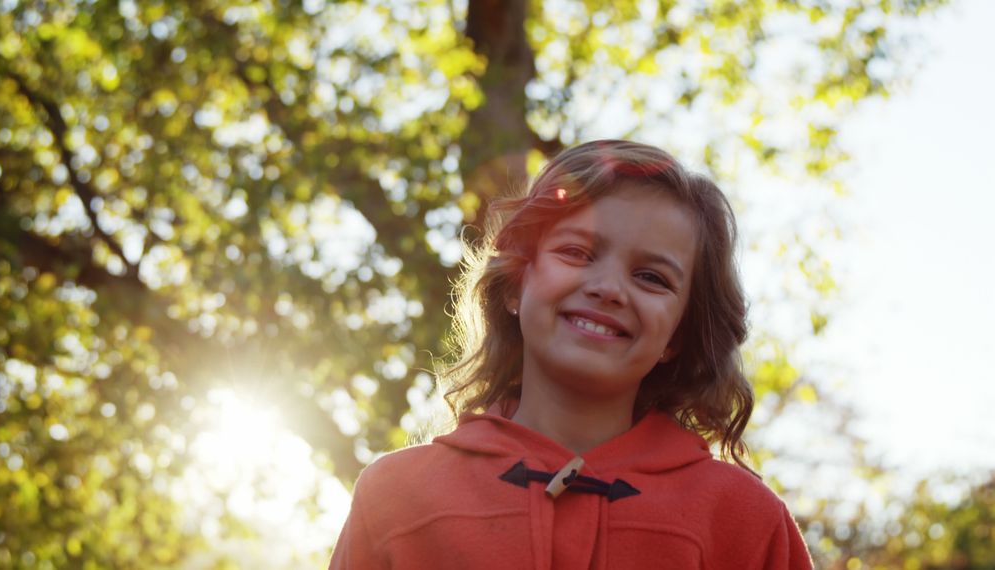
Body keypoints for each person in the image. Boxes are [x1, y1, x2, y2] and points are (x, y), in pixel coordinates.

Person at [330, 140, 813, 569]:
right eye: (577, 253)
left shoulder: (743, 518)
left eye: (652, 278)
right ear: (517, 283)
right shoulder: (395, 497)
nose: (607, 289)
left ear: (677, 337)